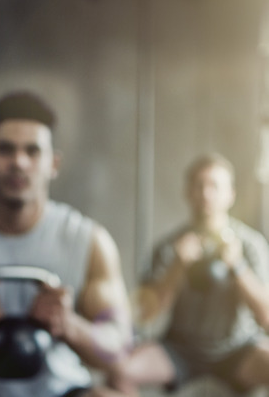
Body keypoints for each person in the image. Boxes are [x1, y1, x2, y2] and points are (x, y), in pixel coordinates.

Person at [0, 92, 133, 397]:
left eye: (32, 151)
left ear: (53, 163)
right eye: (5, 150)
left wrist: (68, 324)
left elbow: (118, 347)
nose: (19, 162)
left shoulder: (89, 241)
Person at [107, 153, 269, 396]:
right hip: (180, 348)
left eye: (214, 186)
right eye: (199, 185)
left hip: (237, 349)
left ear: (230, 194)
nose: (206, 193)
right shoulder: (169, 247)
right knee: (120, 371)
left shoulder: (250, 245)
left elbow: (266, 315)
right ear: (187, 192)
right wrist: (177, 268)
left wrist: (238, 267)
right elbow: (147, 314)